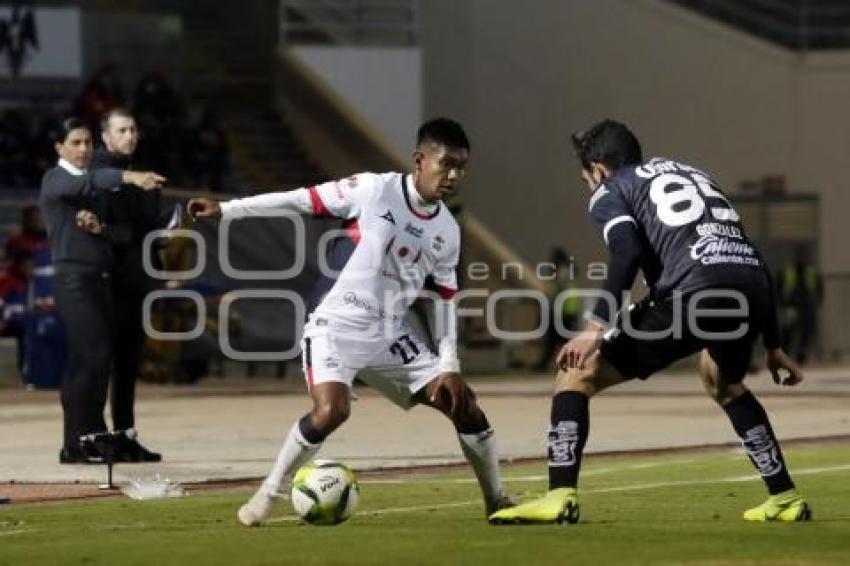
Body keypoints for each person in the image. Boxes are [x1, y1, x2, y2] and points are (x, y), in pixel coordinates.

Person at [188, 118, 514, 526]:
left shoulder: (447, 229)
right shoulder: (373, 190)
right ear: (419, 159)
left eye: (461, 167)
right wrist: (229, 209)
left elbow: (444, 299)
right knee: (331, 411)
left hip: (389, 333)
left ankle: (497, 499)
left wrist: (449, 365)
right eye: (445, 164)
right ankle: (267, 495)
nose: (453, 176)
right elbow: (300, 200)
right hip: (334, 322)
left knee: (465, 406)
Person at [490, 120, 810, 525]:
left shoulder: (612, 188)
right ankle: (785, 497)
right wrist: (775, 345)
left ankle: (559, 495)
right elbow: (749, 258)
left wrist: (594, 328)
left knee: (577, 373)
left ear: (599, 170)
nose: (589, 188)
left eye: (586, 179)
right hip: (745, 291)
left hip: (691, 291)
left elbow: (626, 253)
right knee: (724, 382)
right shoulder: (695, 174)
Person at [39, 117, 165, 464]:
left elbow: (122, 233)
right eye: (75, 142)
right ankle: (88, 439)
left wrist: (104, 228)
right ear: (59, 148)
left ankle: (77, 443)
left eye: (86, 143)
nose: (83, 149)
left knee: (88, 361)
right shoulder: (56, 179)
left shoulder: (88, 187)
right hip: (75, 280)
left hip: (99, 279)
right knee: (93, 358)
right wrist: (130, 176)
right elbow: (90, 181)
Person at [75, 107, 166, 461]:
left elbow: (146, 230)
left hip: (135, 280)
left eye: (133, 129)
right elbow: (104, 230)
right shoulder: (98, 175)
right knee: (101, 363)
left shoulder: (143, 176)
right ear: (106, 136)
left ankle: (125, 435)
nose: (130, 135)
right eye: (122, 130)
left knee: (128, 364)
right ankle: (92, 437)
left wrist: (169, 230)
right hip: (106, 281)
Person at [535, 247, 582, 371]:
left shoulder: (562, 271)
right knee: (558, 338)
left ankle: (545, 364)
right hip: (570, 308)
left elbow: (557, 291)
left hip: (563, 309)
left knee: (556, 339)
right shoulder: (568, 270)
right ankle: (548, 363)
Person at [778, 246, 822, 365]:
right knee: (788, 333)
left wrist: (815, 302)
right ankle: (785, 356)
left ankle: (801, 357)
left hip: (807, 307)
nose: (802, 259)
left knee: (806, 334)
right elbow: (779, 286)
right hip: (791, 307)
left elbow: (819, 288)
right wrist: (782, 303)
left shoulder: (811, 272)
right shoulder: (788, 271)